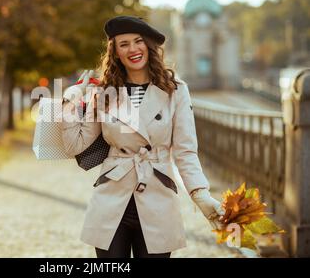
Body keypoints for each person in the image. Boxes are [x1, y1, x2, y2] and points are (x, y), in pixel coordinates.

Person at [61, 15, 224, 258]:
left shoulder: (175, 90)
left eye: (138, 41)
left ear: (148, 46)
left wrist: (200, 194)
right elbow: (74, 144)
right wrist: (69, 98)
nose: (133, 49)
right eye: (123, 44)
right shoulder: (105, 91)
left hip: (158, 198)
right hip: (112, 199)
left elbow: (185, 151)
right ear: (115, 52)